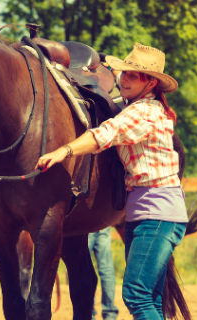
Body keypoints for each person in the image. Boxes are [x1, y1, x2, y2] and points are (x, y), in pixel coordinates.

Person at [36, 43, 187, 320]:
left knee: (136, 295)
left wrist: (64, 150)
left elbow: (104, 134)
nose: (123, 79)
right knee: (149, 297)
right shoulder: (148, 110)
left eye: (133, 75)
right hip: (146, 212)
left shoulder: (144, 113)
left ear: (151, 82)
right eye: (124, 73)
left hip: (157, 213)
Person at [88, 226, 119, 320]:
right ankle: (110, 314)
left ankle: (89, 313)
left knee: (85, 267)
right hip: (103, 224)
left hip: (84, 224)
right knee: (107, 269)